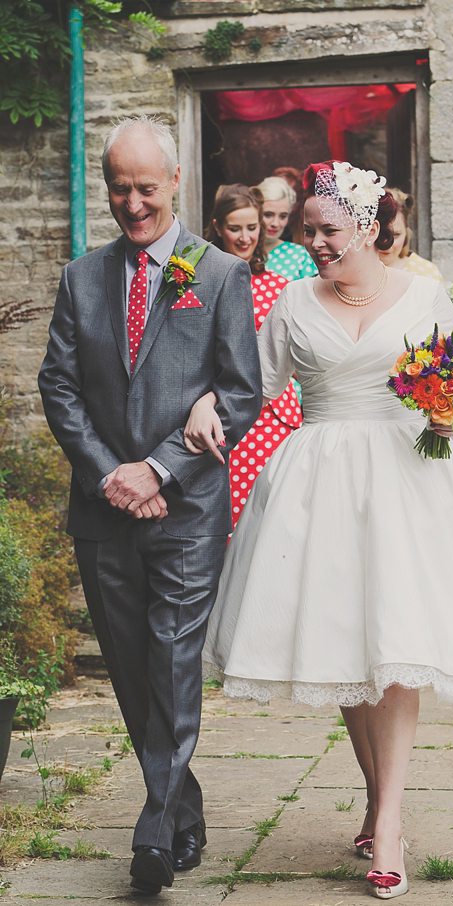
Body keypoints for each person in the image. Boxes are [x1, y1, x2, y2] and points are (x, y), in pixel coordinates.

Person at [187, 161, 453, 899]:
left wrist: (447, 408)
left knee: (397, 650)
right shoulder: (292, 301)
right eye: (307, 230)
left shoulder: (424, 296)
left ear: (362, 224)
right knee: (348, 649)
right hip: (319, 481)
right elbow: (252, 385)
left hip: (407, 482)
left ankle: (387, 826)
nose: (313, 242)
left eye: (327, 230)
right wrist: (203, 404)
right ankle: (376, 796)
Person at [38, 116, 262, 895]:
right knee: (134, 672)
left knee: (171, 659)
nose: (132, 204)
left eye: (145, 187)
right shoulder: (80, 276)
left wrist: (159, 469)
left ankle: (152, 831)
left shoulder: (219, 274)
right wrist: (111, 475)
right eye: (118, 188)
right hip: (105, 510)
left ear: (174, 183)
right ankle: (183, 808)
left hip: (188, 508)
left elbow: (242, 391)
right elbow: (59, 388)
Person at [198, 184, 301, 528]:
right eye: (235, 228)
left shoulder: (278, 286)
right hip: (222, 413)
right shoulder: (201, 282)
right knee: (232, 514)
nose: (245, 237)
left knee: (277, 516)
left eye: (252, 227)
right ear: (217, 228)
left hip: (276, 416)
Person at [257, 175, 318, 280]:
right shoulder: (243, 249)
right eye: (268, 214)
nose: (275, 223)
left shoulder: (300, 255)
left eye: (283, 216)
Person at [379, 188, 444, 281]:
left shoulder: (427, 272)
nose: (387, 244)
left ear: (406, 232)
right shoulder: (354, 272)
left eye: (396, 235)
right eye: (381, 235)